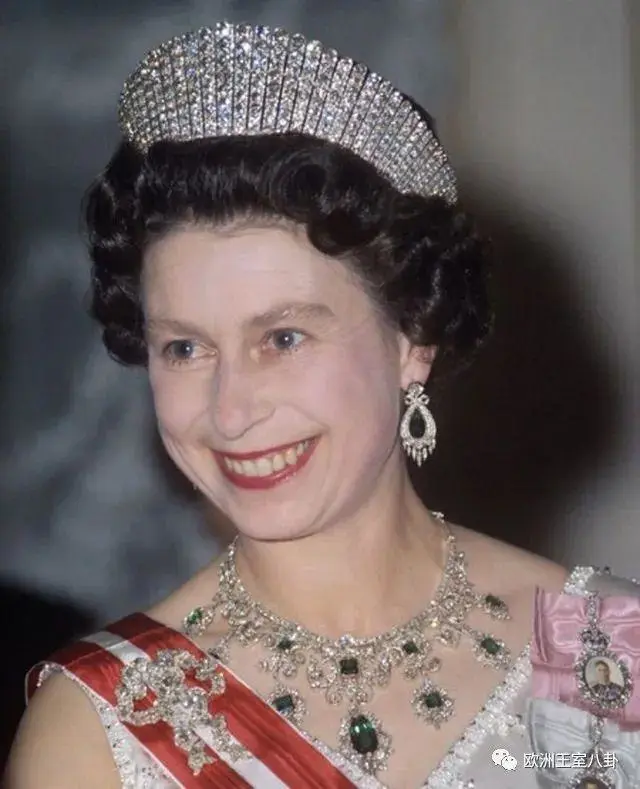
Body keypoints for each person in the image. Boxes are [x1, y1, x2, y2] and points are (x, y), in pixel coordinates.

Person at [5, 22, 639, 789]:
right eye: (185, 347)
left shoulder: (604, 652)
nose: (230, 412)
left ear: (412, 335)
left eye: (283, 337)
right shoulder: (101, 727)